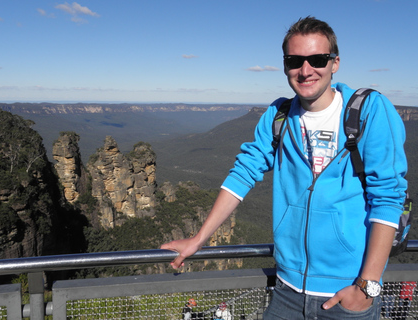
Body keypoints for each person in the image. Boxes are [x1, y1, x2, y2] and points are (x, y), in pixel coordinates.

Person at [161, 16, 407, 320]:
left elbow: (388, 197)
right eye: (295, 60)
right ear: (285, 65)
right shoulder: (278, 116)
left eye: (317, 59)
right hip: (287, 291)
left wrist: (365, 287)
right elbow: (243, 173)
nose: (305, 70)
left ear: (335, 62)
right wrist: (199, 239)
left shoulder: (369, 111)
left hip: (347, 293)